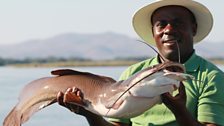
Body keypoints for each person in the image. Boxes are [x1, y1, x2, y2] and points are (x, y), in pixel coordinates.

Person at [56, 0, 224, 126]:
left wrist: (180, 111)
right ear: (153, 32)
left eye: (178, 22)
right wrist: (89, 113)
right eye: (161, 24)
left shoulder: (212, 78)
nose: (169, 29)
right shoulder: (133, 73)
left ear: (193, 28)